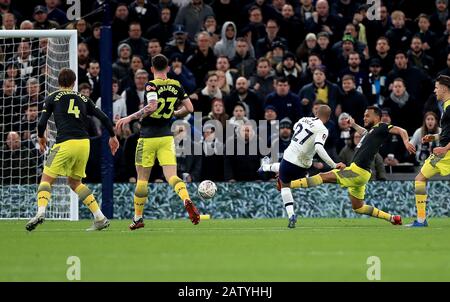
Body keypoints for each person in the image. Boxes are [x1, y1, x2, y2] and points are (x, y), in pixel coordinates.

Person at [25, 68, 119, 232]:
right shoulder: (83, 97)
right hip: (84, 143)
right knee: (75, 182)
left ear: (58, 82)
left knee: (46, 180)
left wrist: (41, 137)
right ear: (74, 82)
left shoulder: (52, 97)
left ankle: (40, 212)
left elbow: (41, 123)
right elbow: (103, 117)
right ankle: (100, 217)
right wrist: (113, 136)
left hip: (64, 144)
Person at [288, 106, 416, 226]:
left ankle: (288, 184)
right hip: (361, 173)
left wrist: (406, 141)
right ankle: (393, 218)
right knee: (358, 207)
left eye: (367, 116)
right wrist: (353, 125)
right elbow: (364, 132)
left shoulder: (381, 127)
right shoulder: (373, 132)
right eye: (364, 116)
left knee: (323, 176)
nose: (364, 118)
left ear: (377, 117)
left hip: (357, 171)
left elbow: (401, 130)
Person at [115, 54, 199, 230]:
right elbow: (190, 108)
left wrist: (129, 117)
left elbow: (152, 106)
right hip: (166, 137)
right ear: (168, 68)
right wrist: (175, 113)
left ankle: (138, 218)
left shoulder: (152, 85)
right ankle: (185, 198)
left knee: (142, 180)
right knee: (172, 176)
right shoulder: (176, 85)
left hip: (148, 137)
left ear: (152, 69)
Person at [258, 105, 346, 228]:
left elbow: (295, 129)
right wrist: (334, 165)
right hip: (303, 167)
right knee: (287, 177)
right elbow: (319, 147)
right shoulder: (323, 129)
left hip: (289, 158)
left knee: (284, 185)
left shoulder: (303, 119)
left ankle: (291, 215)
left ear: (316, 113)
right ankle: (266, 167)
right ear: (328, 117)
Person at [408, 75, 450, 227]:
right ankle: (420, 220)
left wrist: (445, 147)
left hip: (445, 153)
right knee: (420, 179)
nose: (435, 90)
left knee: (419, 179)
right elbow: (447, 133)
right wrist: (434, 137)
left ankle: (420, 220)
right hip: (443, 152)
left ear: (444, 88)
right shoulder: (446, 106)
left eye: (437, 87)